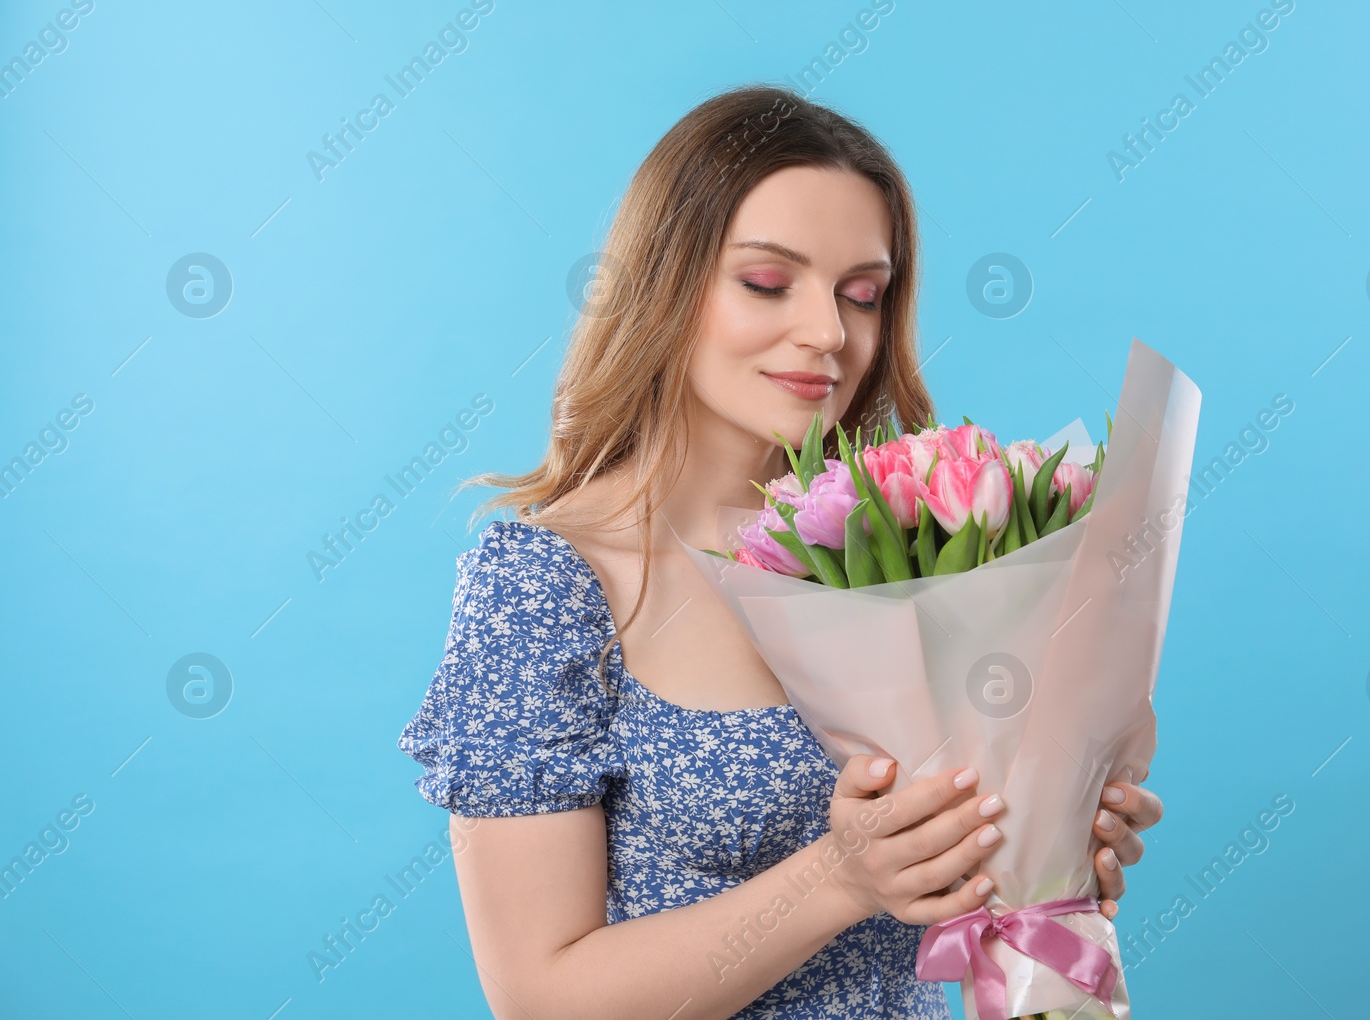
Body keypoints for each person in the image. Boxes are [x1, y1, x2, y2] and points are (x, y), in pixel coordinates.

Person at [397, 84, 1163, 1019]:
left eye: (862, 295)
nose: (828, 334)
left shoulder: (922, 536)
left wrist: (1042, 847)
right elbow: (541, 995)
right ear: (664, 283)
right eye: (767, 282)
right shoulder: (545, 584)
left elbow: (961, 897)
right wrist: (841, 879)